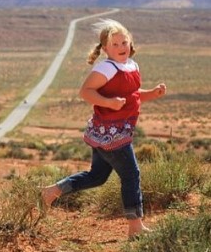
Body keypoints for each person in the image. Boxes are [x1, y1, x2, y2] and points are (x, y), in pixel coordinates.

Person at [41, 19, 167, 240]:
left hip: (111, 132)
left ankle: (53, 191)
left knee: (97, 176)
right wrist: (109, 103)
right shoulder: (107, 68)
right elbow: (85, 91)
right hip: (111, 135)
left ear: (131, 43)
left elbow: (133, 96)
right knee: (131, 175)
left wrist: (153, 94)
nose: (121, 47)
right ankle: (135, 227)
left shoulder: (132, 66)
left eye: (124, 42)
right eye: (115, 44)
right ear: (105, 48)